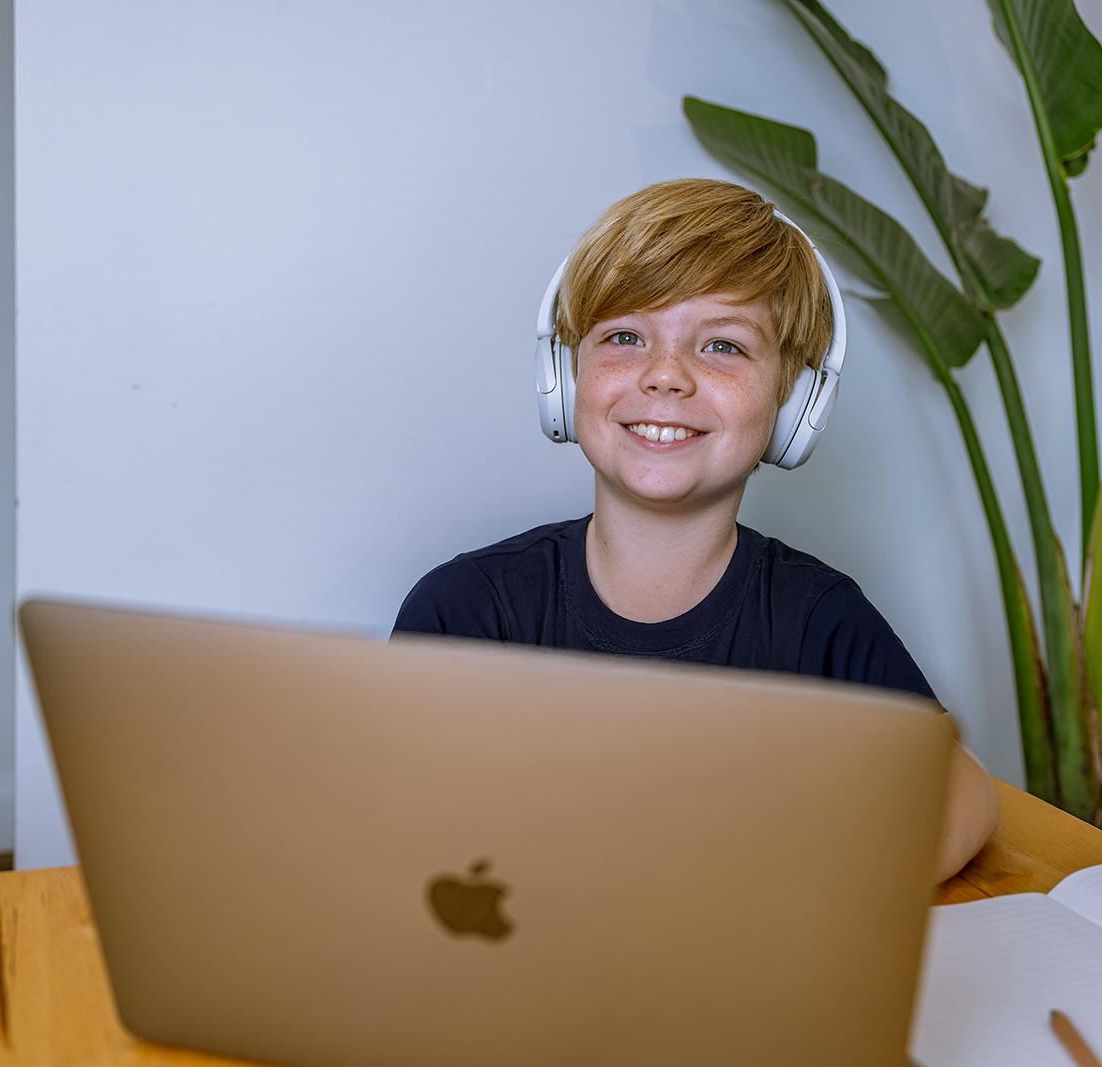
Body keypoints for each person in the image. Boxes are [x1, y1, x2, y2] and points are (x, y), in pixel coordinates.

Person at [393, 178, 997, 881]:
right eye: (624, 336)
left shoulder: (818, 622)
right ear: (564, 375)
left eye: (723, 346)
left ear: (793, 402)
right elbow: (387, 826)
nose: (666, 376)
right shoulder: (467, 609)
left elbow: (964, 791)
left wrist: (805, 894)